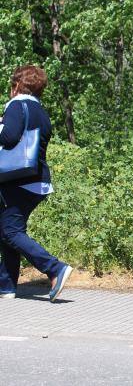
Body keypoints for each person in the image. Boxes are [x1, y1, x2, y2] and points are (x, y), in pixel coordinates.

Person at [0, 65, 72, 302]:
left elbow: (9, 137)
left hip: (18, 180)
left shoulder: (17, 105)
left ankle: (55, 268)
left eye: (12, 84)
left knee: (10, 231)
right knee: (8, 230)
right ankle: (7, 286)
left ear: (18, 85)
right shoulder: (40, 110)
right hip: (36, 180)